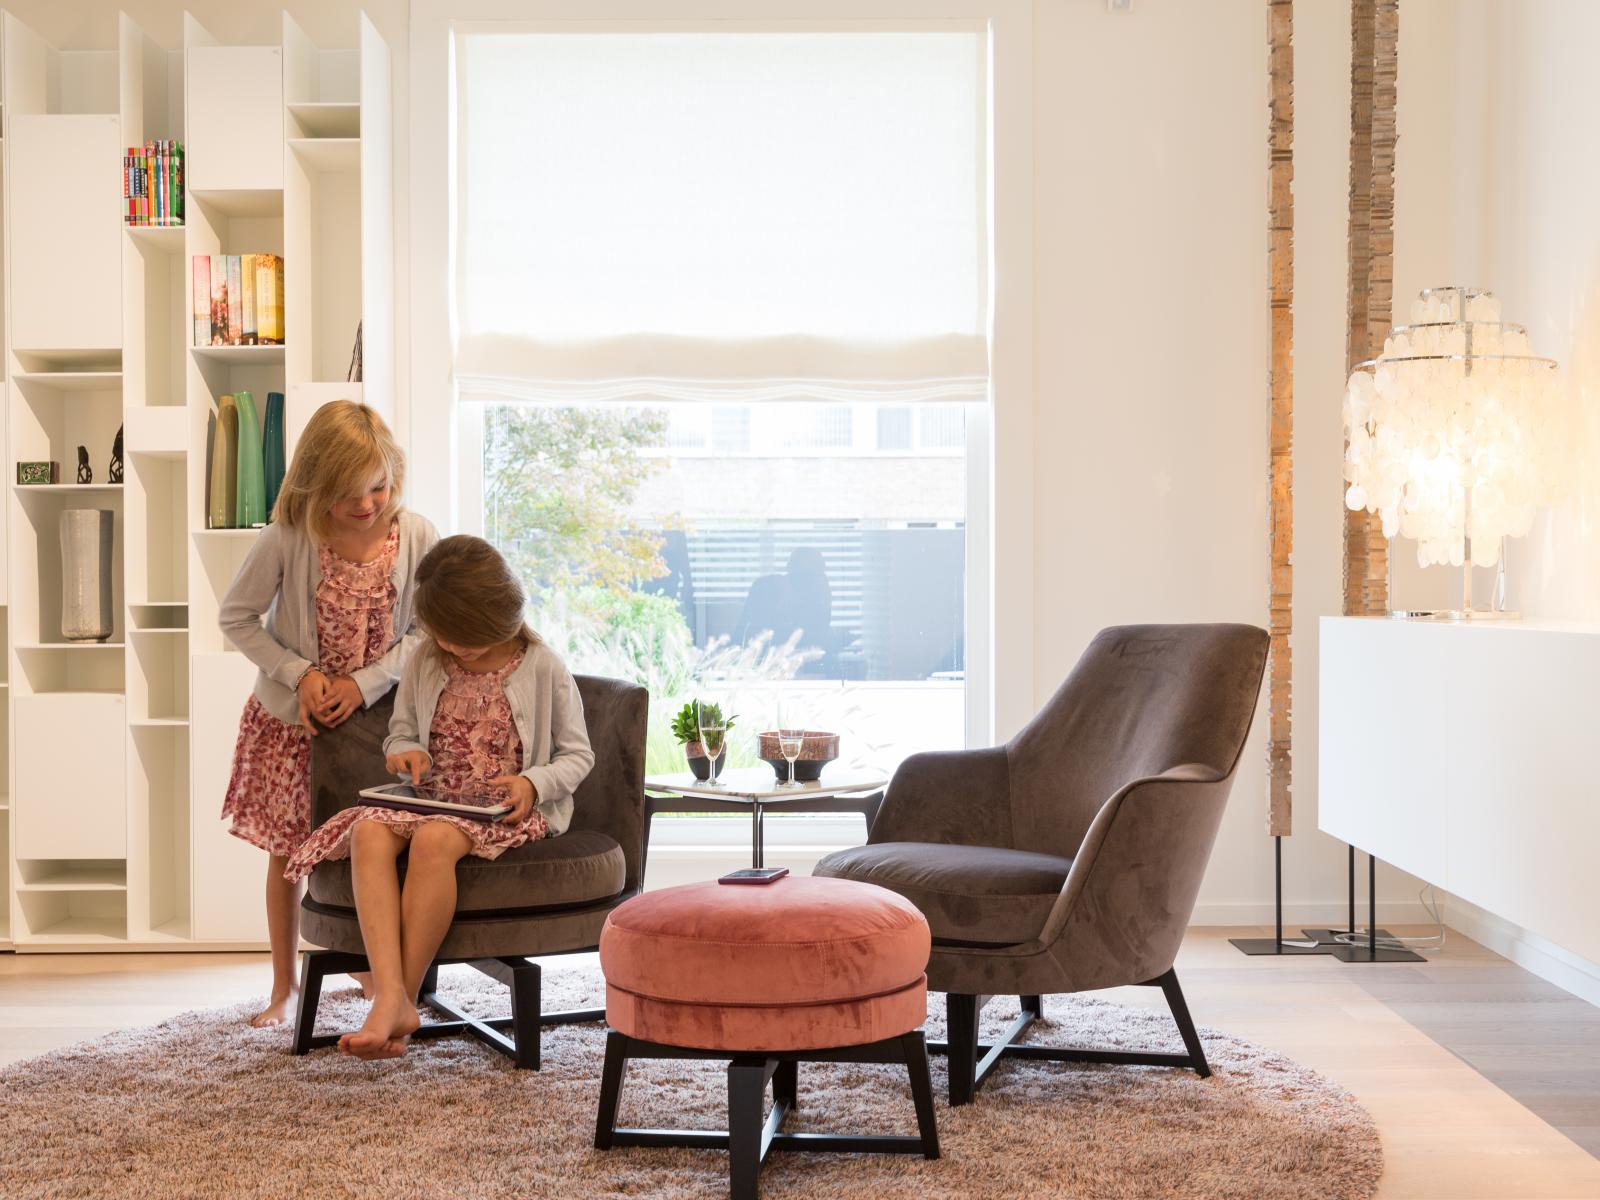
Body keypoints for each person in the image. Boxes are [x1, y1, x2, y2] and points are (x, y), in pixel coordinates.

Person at [286, 535, 595, 1059]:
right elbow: (400, 731)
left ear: (500, 619)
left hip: (501, 811)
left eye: (464, 641)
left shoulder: (542, 666)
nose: (453, 649)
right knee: (367, 832)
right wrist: (403, 752)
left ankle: (397, 1002)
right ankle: (391, 995)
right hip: (430, 798)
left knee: (434, 840)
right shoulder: (428, 660)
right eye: (445, 639)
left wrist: (532, 784)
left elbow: (578, 755)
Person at [219, 400, 438, 1027]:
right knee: (288, 853)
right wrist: (302, 675)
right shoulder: (289, 536)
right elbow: (236, 618)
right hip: (295, 726)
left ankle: (375, 971)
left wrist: (365, 683)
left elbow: (427, 632)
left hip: (379, 727)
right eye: (348, 493)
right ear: (315, 485)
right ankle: (284, 985)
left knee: (373, 844)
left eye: (378, 486)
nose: (367, 503)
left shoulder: (417, 536)